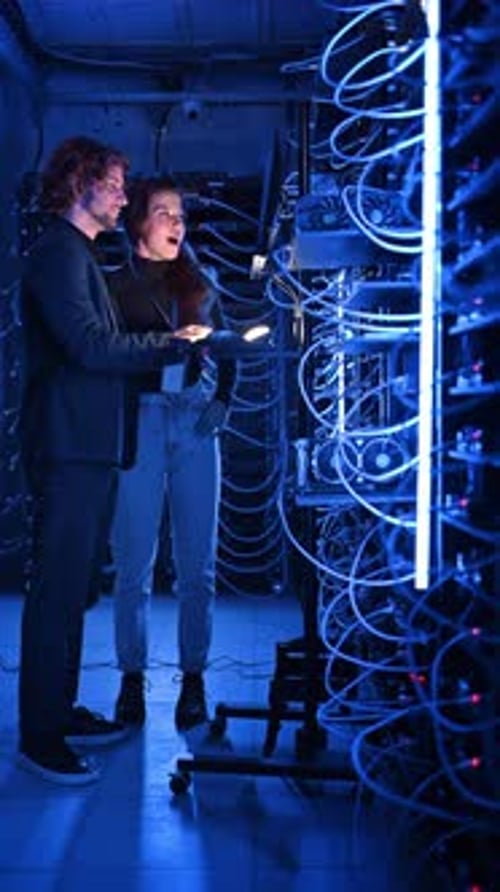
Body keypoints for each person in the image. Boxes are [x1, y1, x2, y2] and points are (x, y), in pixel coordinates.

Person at [18, 137, 210, 786]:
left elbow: (101, 343)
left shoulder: (80, 255)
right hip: (68, 447)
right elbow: (90, 347)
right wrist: (169, 344)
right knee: (55, 595)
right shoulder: (55, 254)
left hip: (91, 448)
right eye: (115, 184)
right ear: (79, 183)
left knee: (74, 593)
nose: (125, 196)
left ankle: (60, 711)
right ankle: (40, 737)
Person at [106, 176, 236, 732]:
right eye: (163, 212)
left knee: (197, 566)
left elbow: (226, 346)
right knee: (133, 563)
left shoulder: (200, 280)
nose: (176, 222)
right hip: (141, 420)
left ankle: (194, 681)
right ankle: (131, 682)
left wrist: (222, 402)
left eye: (180, 214)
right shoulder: (113, 285)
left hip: (194, 419)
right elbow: (102, 355)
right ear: (138, 222)